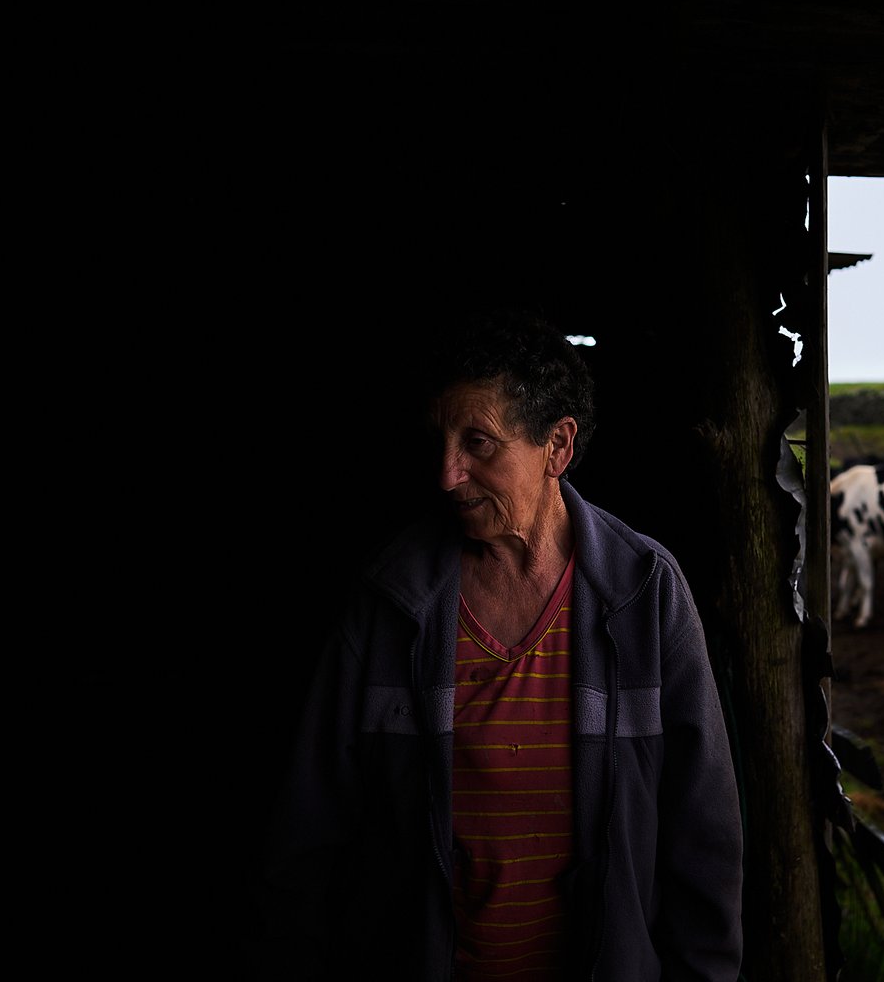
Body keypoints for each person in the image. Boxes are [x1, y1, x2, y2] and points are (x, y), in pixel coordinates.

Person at [254, 311, 744, 980]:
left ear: (558, 445)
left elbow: (702, 833)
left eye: (479, 443)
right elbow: (311, 825)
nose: (447, 475)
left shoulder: (644, 592)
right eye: (442, 441)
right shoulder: (391, 600)